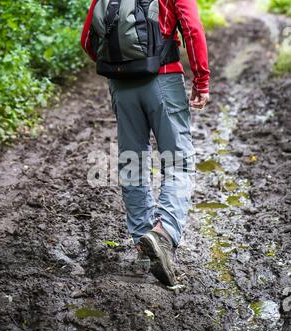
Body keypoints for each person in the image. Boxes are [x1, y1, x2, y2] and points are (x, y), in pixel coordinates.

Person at [82, 0, 210, 286]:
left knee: (133, 163)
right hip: (163, 78)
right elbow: (192, 29)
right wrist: (201, 79)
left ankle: (143, 246)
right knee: (178, 163)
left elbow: (88, 40)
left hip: (121, 86)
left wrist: (122, 67)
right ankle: (162, 236)